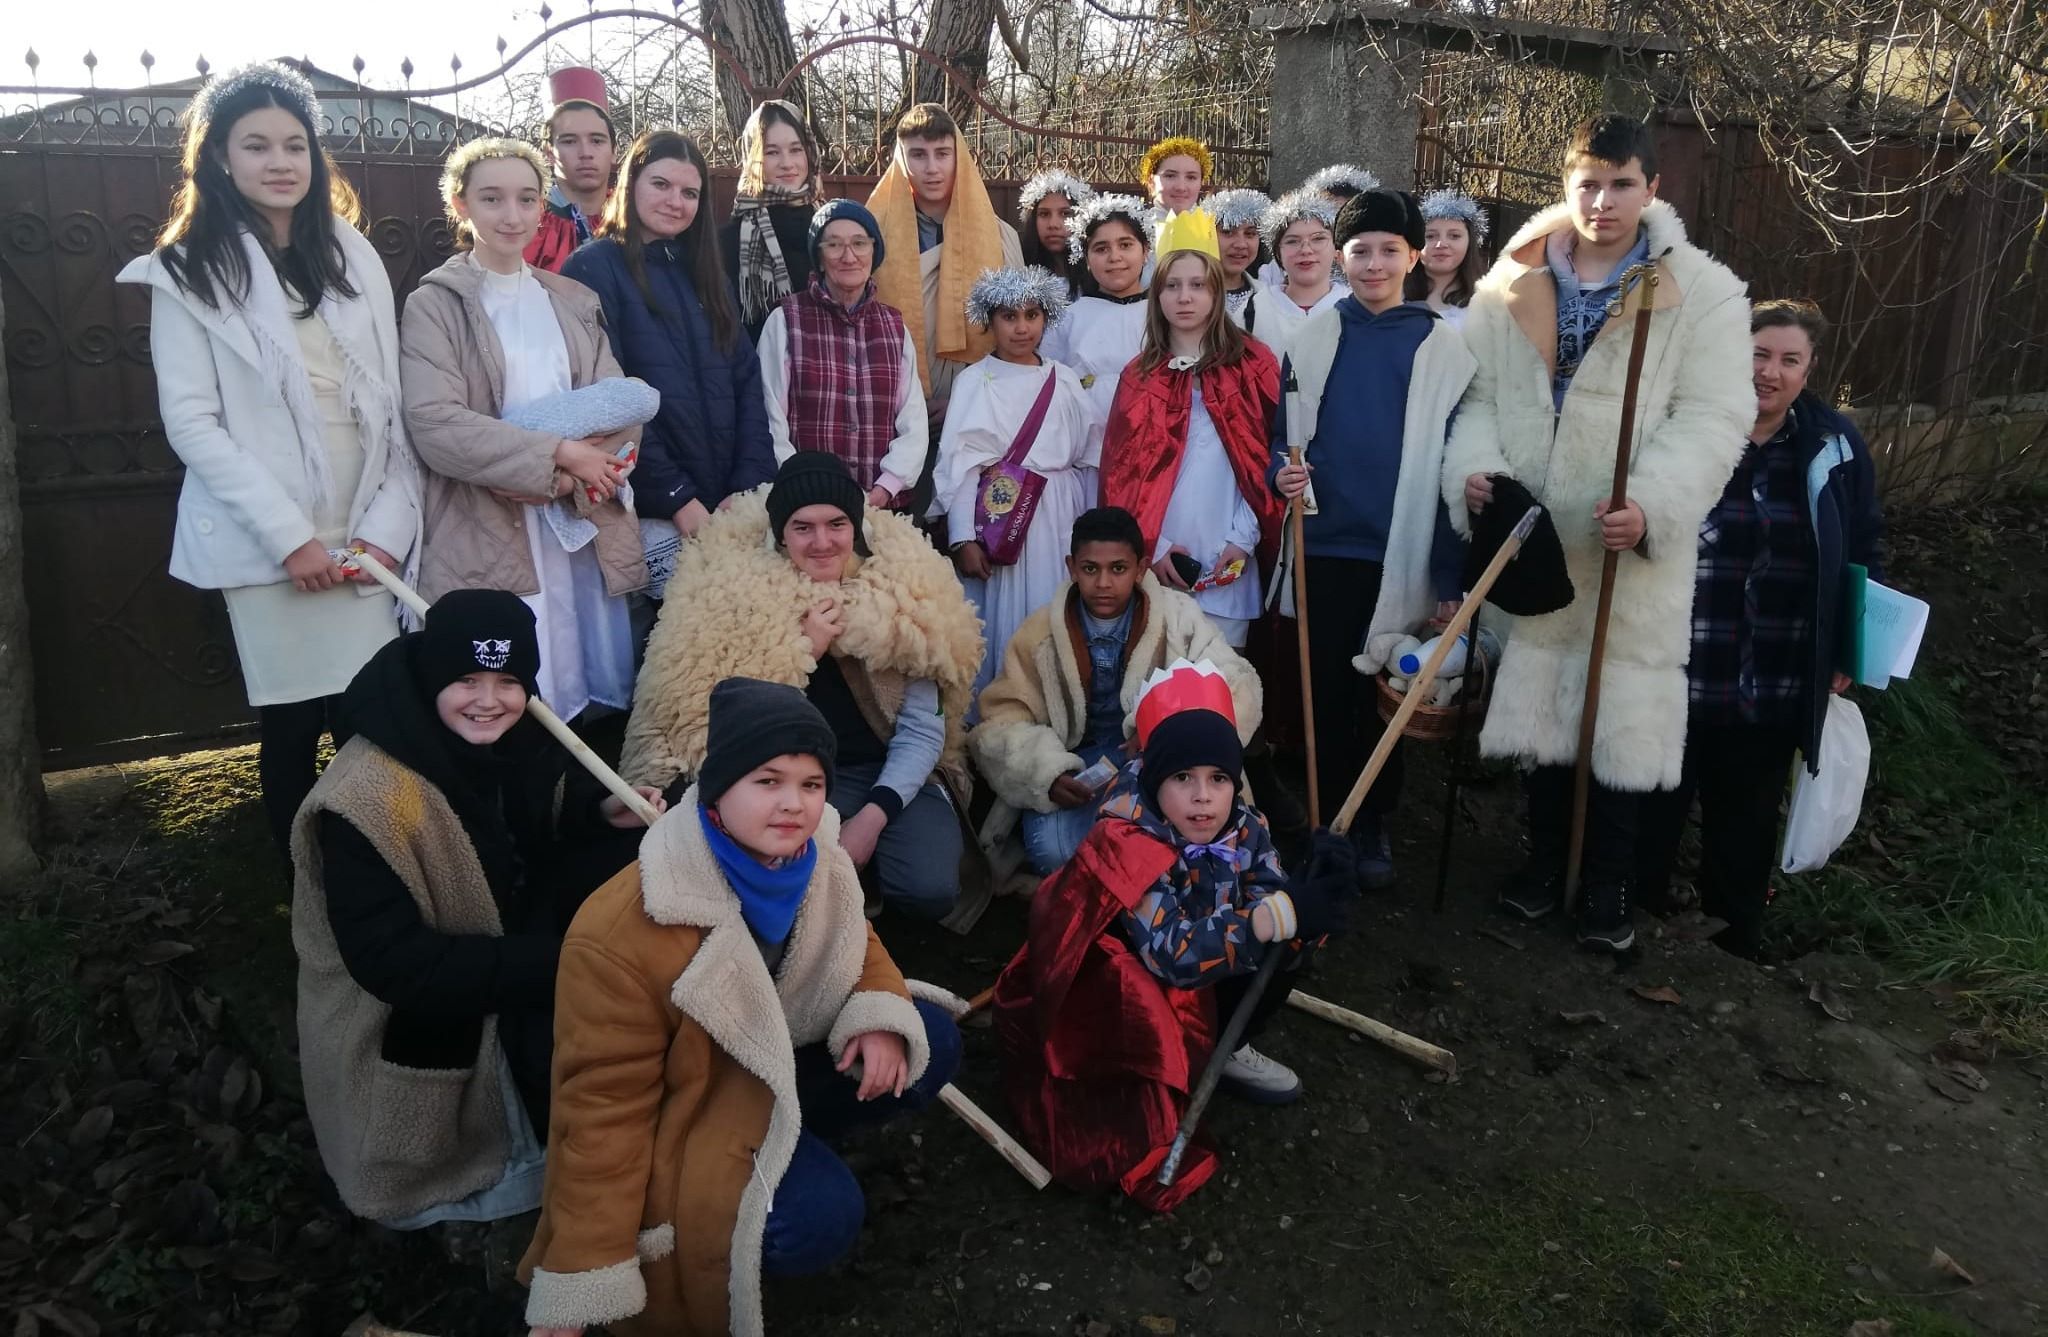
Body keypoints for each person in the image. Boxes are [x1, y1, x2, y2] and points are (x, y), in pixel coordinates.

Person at [519, 676, 961, 1337]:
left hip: (770, 1063)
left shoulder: (816, 858)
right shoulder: (623, 929)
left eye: (811, 784)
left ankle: (793, 1143)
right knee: (818, 1218)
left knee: (928, 1038)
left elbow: (853, 937)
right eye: (768, 781)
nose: (793, 804)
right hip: (689, 1112)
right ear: (717, 789)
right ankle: (751, 1204)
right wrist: (582, 1274)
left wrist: (876, 1017)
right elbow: (602, 1108)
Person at [1443, 114, 1753, 951]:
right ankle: (1546, 861)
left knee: (1618, 708)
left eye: (1621, 184)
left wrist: (1653, 502)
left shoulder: (1704, 293)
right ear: (1566, 184)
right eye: (1588, 183)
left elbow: (1715, 416)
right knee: (1543, 696)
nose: (1602, 201)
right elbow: (1476, 398)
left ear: (1653, 188)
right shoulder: (1512, 279)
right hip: (1537, 534)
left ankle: (1610, 878)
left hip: (1623, 536)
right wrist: (1475, 471)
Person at [117, 61, 418, 861]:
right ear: (218, 157)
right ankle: (305, 889)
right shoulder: (187, 270)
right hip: (271, 538)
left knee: (372, 718)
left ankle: (379, 876)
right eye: (256, 145)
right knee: (291, 727)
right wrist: (291, 539)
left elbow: (392, 407)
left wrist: (388, 529)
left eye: (295, 144)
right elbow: (194, 424)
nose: (280, 162)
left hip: (363, 526)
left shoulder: (352, 255)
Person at [290, 589, 664, 1230]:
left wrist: (598, 811)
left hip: (499, 945)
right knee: (597, 991)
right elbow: (395, 965)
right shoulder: (365, 800)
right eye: (466, 679)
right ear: (431, 675)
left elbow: (524, 815)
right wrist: (571, 964)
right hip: (412, 1007)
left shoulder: (507, 739)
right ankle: (532, 1151)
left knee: (631, 861)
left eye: (508, 682)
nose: (488, 700)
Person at [990, 661, 1355, 1211]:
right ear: (1155, 777)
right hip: (1115, 990)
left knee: (1285, 949)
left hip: (1202, 966)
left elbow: (1270, 894)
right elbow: (1171, 955)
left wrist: (1309, 897)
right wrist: (1268, 919)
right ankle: (1156, 1076)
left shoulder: (1245, 825)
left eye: (1218, 778)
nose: (1203, 797)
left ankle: (1225, 1047)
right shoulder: (1126, 839)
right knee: (1152, 986)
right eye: (1183, 778)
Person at [621, 452, 984, 924]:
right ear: (780, 535)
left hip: (882, 768)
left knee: (929, 890)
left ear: (855, 528)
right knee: (785, 888)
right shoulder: (738, 600)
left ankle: (865, 869)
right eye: (803, 527)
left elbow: (922, 728)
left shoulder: (901, 595)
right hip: (788, 776)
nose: (822, 542)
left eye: (836, 524)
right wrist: (802, 652)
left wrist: (872, 818)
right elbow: (726, 721)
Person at [1636, 300, 1884, 959]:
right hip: (1678, 662)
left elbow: (1863, 545)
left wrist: (1849, 647)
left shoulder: (1834, 446)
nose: (1770, 372)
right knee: (1650, 812)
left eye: (1788, 360)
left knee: (1745, 826)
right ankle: (1629, 930)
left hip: (1774, 671)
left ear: (1809, 368)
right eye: (1758, 354)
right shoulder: (1685, 428)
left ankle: (1735, 953)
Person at [1269, 189, 1477, 888]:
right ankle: (1329, 817)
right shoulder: (1314, 339)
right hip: (1326, 545)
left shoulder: (1443, 348)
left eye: (1391, 249)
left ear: (1415, 257)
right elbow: (1283, 438)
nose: (1375, 263)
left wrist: (1448, 577)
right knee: (1327, 690)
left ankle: (1373, 817)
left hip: (1400, 550)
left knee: (1385, 694)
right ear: (1341, 257)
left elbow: (1452, 467)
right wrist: (1280, 474)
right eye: (1361, 250)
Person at [400, 138, 645, 725]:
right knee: (521, 676)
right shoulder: (435, 305)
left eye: (526, 199)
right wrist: (557, 456)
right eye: (492, 199)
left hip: (578, 517)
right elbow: (436, 424)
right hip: (490, 520)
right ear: (460, 205)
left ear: (542, 206)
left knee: (587, 674)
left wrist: (573, 479)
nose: (511, 215)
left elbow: (619, 405)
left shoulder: (572, 299)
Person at [972, 506, 1263, 874]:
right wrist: (1048, 774)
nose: (1104, 583)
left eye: (1119, 569)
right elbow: (1002, 719)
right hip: (1079, 764)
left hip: (1163, 761)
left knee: (1188, 836)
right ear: (1071, 567)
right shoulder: (1040, 632)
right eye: (1090, 569)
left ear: (1141, 569)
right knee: (1054, 852)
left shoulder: (1178, 617)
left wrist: (1164, 730)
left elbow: (1236, 681)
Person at [563, 131, 773, 543]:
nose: (675, 201)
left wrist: (748, 486)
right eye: (661, 184)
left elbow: (747, 380)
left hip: (729, 504)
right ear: (632, 184)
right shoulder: (593, 268)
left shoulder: (707, 273)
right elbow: (606, 395)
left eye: (690, 193)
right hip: (647, 510)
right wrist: (675, 495)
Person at [1102, 234, 1285, 650]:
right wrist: (1154, 547)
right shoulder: (1140, 377)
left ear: (1217, 293)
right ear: (1157, 296)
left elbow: (1268, 459)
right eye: (1172, 285)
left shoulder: (1253, 364)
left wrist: (1244, 539)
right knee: (1157, 672)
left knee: (1225, 675)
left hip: (1232, 554)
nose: (1185, 297)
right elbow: (1122, 477)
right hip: (1161, 558)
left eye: (1198, 285)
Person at [934, 266, 1095, 700]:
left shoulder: (1064, 378)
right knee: (1002, 618)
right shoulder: (975, 380)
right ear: (990, 321)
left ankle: (1055, 708)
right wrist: (963, 538)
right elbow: (962, 464)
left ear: (1046, 318)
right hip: (1000, 517)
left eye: (1031, 315)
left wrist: (1089, 529)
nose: (1022, 328)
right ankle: (1000, 710)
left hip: (1061, 514)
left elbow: (1087, 455)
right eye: (1009, 316)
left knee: (1054, 609)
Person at [758, 199, 928, 509]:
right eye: (834, 245)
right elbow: (769, 419)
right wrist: (801, 486)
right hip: (805, 507)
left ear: (873, 252)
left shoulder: (895, 328)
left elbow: (913, 422)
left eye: (859, 243)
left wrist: (886, 487)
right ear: (819, 258)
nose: (849, 257)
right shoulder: (785, 321)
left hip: (882, 508)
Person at [865, 103, 1024, 417]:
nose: (932, 168)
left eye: (942, 153)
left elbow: (1019, 329)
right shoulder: (872, 234)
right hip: (892, 403)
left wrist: (963, 400)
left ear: (958, 157)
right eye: (918, 155)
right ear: (901, 160)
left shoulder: (999, 237)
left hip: (981, 405)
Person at [1043, 192, 1154, 442]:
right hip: (1087, 442)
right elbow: (1049, 384)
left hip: (1152, 438)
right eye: (1101, 249)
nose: (1114, 257)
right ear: (1086, 258)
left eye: (1125, 245)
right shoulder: (1070, 318)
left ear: (1145, 250)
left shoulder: (1163, 314)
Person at [720, 100, 824, 343]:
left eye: (796, 149)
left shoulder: (831, 226)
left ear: (810, 152)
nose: (787, 163)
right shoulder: (730, 241)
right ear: (752, 158)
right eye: (771, 152)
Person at [525, 67, 616, 273]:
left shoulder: (633, 214)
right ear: (549, 152)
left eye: (596, 140)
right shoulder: (526, 223)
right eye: (569, 141)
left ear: (614, 151)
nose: (585, 153)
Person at [1208, 186, 1304, 359]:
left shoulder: (1272, 298)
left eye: (1250, 233)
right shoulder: (1190, 295)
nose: (1240, 244)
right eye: (1228, 232)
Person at [1261, 165, 1376, 296]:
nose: (1339, 222)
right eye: (1332, 213)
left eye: (1348, 214)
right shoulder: (1277, 270)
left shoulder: (1372, 264)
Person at [1405, 189, 1489, 328]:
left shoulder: (1488, 303)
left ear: (1470, 242)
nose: (1441, 244)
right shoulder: (1395, 295)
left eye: (1454, 236)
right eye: (1430, 236)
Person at [1261, 190, 1345, 320]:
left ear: (1336, 247)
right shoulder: (1254, 310)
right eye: (1292, 241)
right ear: (1278, 251)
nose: (1306, 250)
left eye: (1318, 239)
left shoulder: (1357, 309)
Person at [1017, 169, 1097, 300]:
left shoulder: (1101, 275)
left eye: (1065, 214)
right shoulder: (1017, 271)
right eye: (1044, 214)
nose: (1053, 224)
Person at [1139, 135, 1212, 218]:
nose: (1181, 187)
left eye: (1191, 177)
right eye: (1170, 176)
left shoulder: (1212, 224)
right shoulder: (1133, 225)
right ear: (1151, 182)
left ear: (1201, 183)